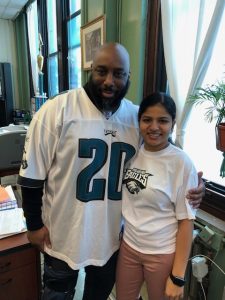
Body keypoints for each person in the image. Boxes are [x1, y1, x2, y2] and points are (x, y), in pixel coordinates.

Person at [17, 43, 204, 300]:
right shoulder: (56, 110)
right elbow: (31, 177)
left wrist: (193, 184)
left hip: (111, 239)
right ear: (90, 70)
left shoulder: (135, 117)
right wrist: (34, 225)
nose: (109, 81)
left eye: (118, 73)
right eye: (101, 71)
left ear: (128, 77)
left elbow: (164, 155)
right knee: (56, 295)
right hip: (61, 233)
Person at [116, 92, 198, 300]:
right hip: (129, 247)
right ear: (139, 122)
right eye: (147, 120)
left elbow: (186, 221)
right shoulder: (132, 152)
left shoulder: (181, 163)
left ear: (173, 123)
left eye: (162, 121)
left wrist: (177, 277)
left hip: (162, 254)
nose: (154, 127)